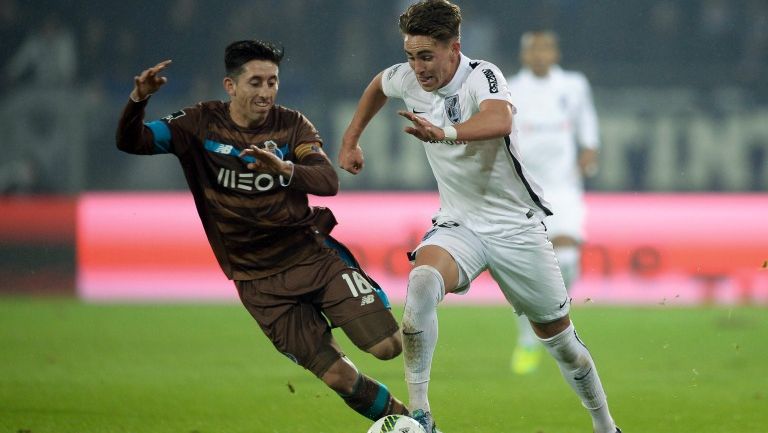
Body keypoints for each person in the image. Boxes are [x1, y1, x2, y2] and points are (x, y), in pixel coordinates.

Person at [338, 2, 621, 433]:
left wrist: (444, 132)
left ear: (455, 48)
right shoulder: (406, 77)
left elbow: (500, 118)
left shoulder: (481, 75)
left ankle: (606, 427)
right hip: (459, 223)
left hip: (514, 226)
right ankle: (421, 415)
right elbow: (379, 84)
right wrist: (352, 140)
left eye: (426, 57)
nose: (417, 68)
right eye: (412, 56)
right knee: (421, 284)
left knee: (563, 344)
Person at [115, 40, 409, 423]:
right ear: (231, 86)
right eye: (256, 82)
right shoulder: (198, 124)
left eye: (273, 82)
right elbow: (131, 141)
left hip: (311, 258)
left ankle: (367, 296)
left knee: (388, 346)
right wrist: (138, 99)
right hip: (258, 282)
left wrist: (284, 170)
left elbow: (326, 180)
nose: (266, 92)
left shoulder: (292, 125)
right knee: (339, 377)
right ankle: (414, 426)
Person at [506, 30, 600, 375]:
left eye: (546, 48)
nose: (541, 54)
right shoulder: (510, 86)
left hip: (564, 187)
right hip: (526, 189)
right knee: (529, 268)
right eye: (534, 49)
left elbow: (586, 122)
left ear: (556, 53)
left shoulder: (574, 85)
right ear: (524, 55)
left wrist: (590, 148)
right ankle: (529, 337)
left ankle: (557, 319)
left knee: (569, 257)